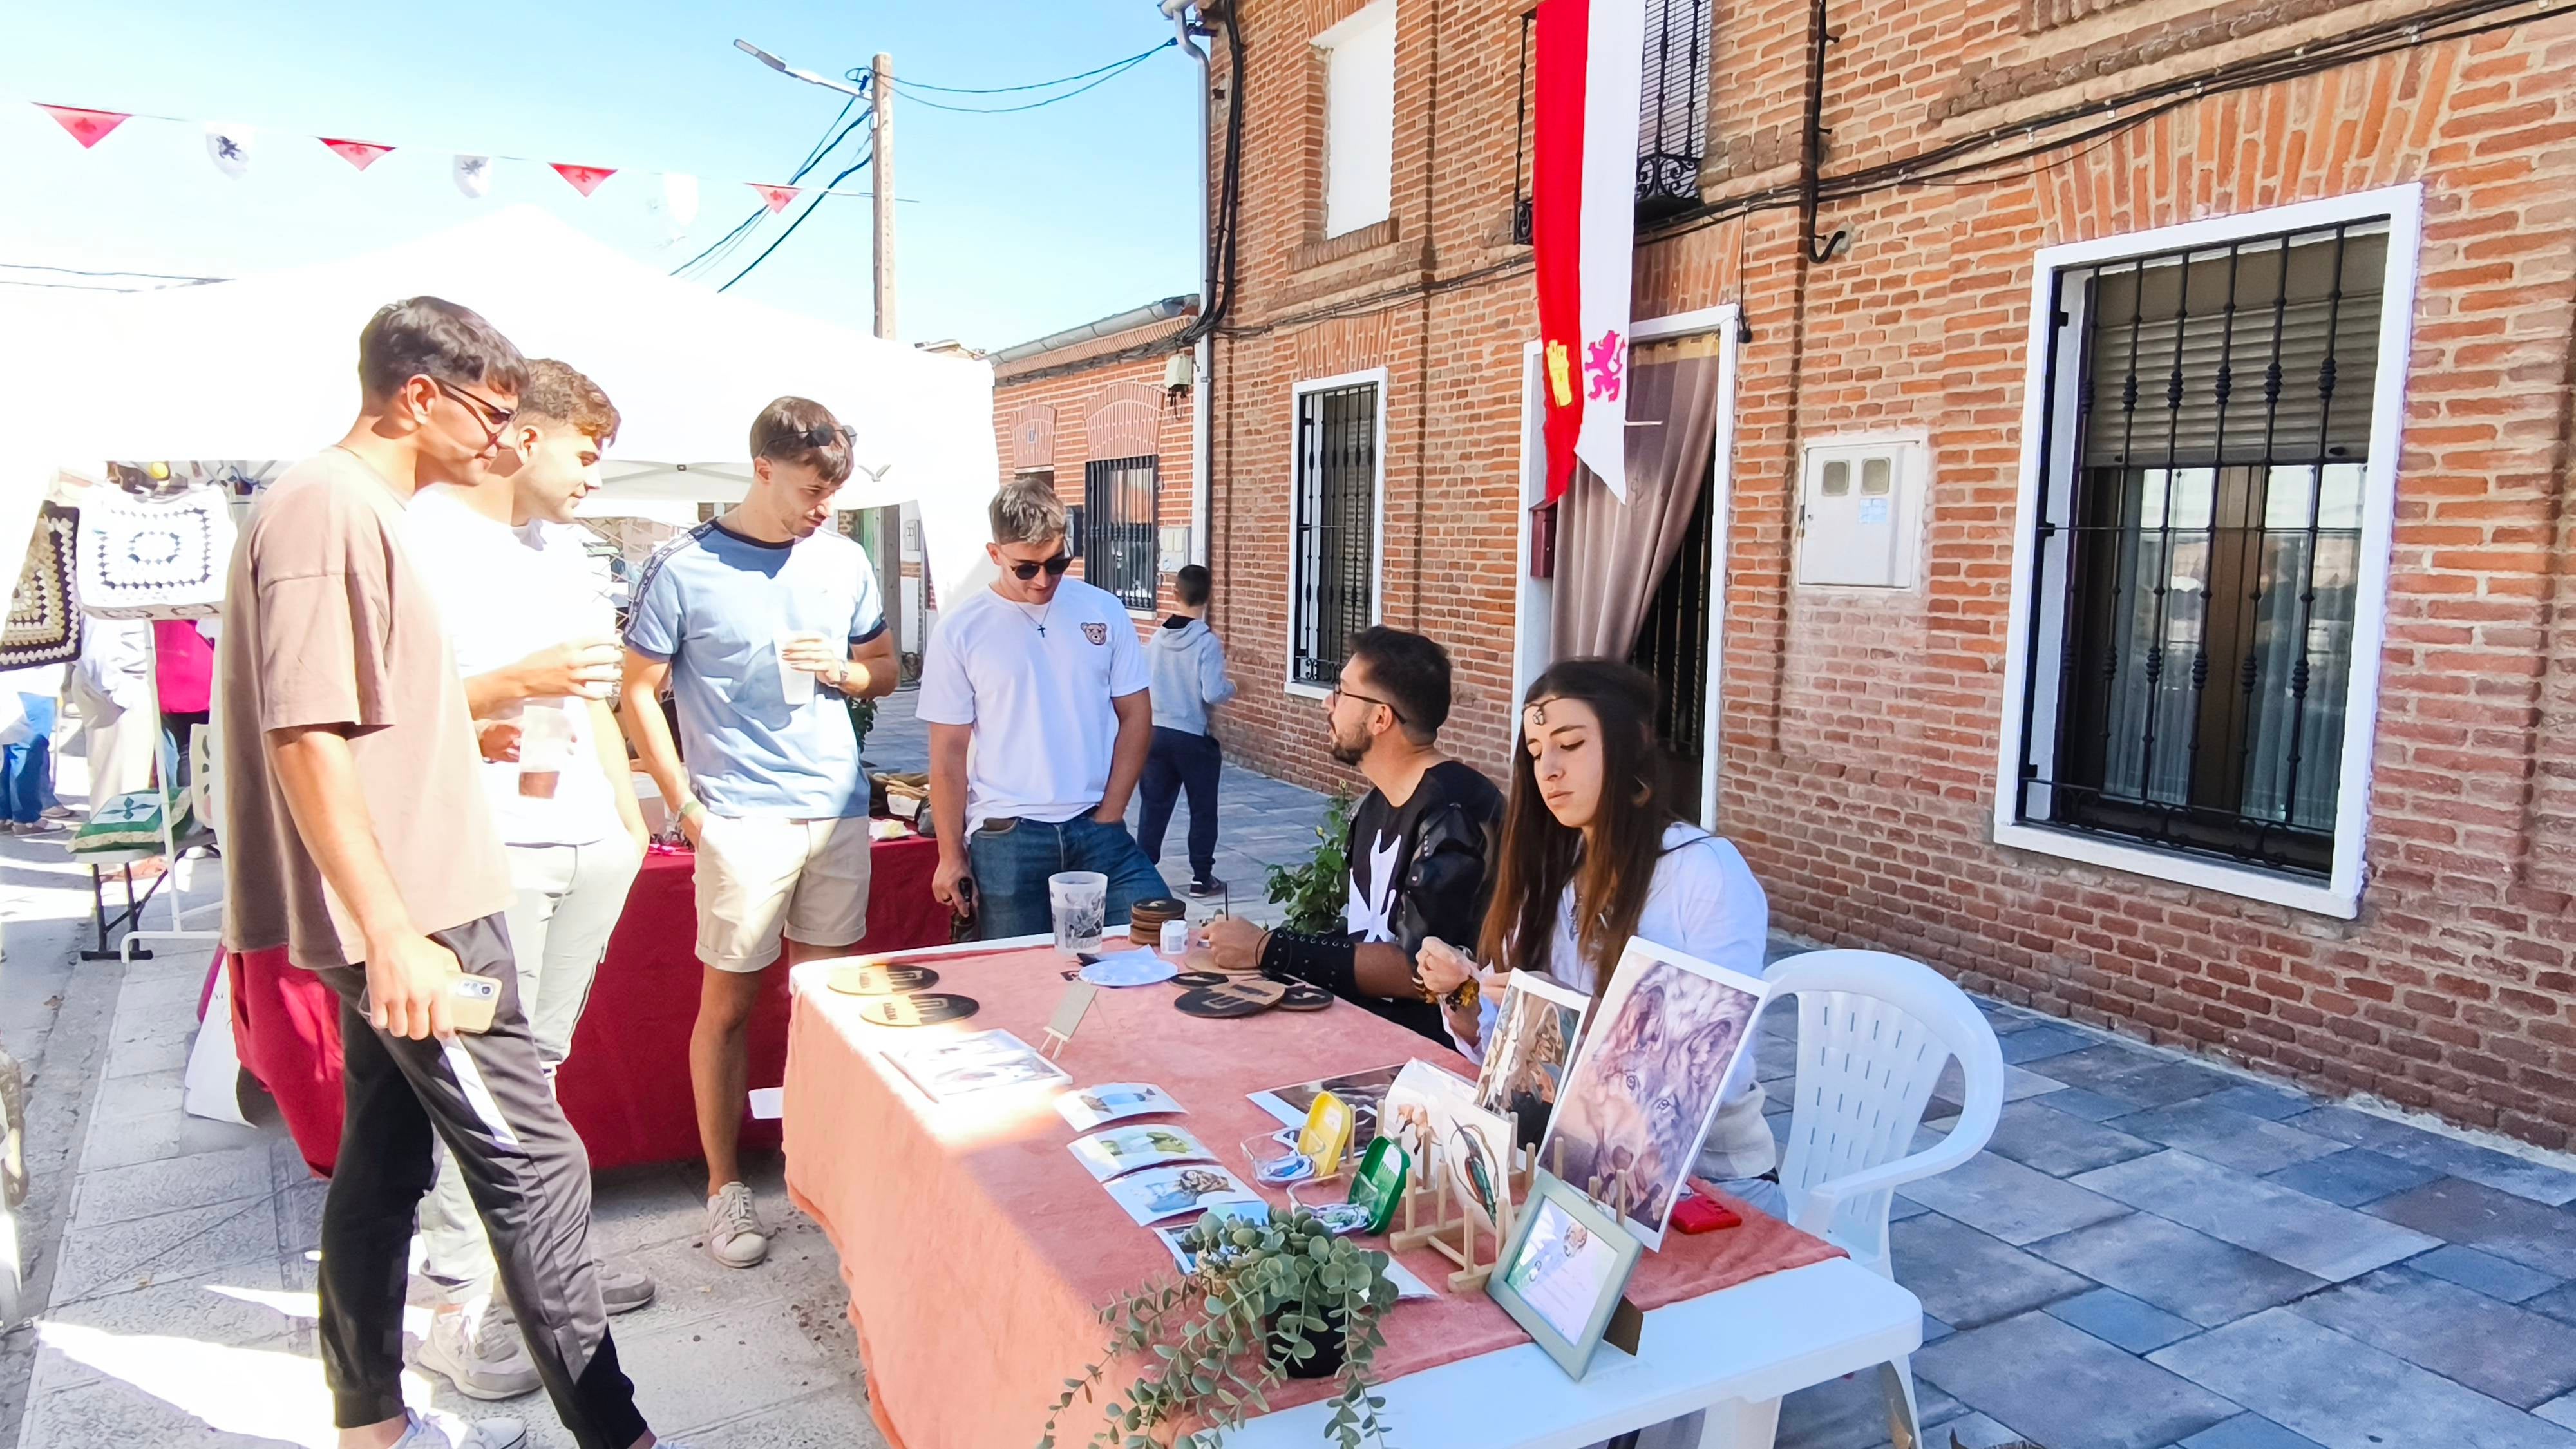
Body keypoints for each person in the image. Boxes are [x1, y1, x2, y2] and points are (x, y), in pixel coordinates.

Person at [216, 296, 668, 1449]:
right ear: (419, 396)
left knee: (385, 1155)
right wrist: (391, 931)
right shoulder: (327, 508)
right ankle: (620, 1436)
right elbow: (305, 733)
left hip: (424, 892)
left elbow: (362, 723)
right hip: (419, 911)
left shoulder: (353, 507)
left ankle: (367, 1414)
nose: (505, 438)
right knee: (536, 1164)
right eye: (493, 411)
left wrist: (451, 736)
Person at [402, 359, 656, 1397]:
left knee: (537, 1065)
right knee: (487, 1079)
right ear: (523, 435)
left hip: (586, 832)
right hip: (490, 844)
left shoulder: (568, 550)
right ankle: (454, 1298)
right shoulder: (424, 538)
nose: (596, 474)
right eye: (586, 451)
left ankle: (541, 1272)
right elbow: (388, 708)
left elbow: (594, 690)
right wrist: (512, 685)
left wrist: (630, 821)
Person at [620, 396, 896, 1271]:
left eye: (837, 493)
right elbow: (635, 692)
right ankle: (724, 1185)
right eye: (814, 490)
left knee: (822, 1012)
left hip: (836, 807)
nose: (825, 508)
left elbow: (886, 667)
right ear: (763, 468)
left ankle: (820, 1172)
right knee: (730, 1005)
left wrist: (847, 671)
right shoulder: (682, 567)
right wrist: (686, 807)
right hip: (739, 816)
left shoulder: (845, 559)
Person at [1420, 658, 1778, 1193]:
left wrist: (1570, 1018)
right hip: (1570, 1161)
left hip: (1703, 1183)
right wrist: (1466, 996)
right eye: (1537, 753)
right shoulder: (1552, 875)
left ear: (1631, 741)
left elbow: (1714, 1075)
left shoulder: (1705, 874)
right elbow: (1513, 1056)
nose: (1549, 770)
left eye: (1572, 744)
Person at [1200, 627, 1502, 1044]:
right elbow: (1366, 938)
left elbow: (1418, 971)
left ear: (1381, 717)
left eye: (1341, 692)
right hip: (1362, 1028)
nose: (1328, 702)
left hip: (1430, 1058)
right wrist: (1264, 956)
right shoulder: (1373, 807)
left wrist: (1270, 948)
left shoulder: (1455, 811)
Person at [918, 480, 1169, 940]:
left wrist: (1112, 813)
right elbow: (948, 754)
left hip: (1097, 826)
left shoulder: (1103, 610)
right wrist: (950, 854)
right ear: (995, 555)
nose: (1042, 580)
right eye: (1026, 568)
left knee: (1158, 940)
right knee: (1021, 978)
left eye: (1057, 563)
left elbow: (1137, 715)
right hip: (1007, 834)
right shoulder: (961, 630)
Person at [1137, 564, 1235, 898]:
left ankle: (1142, 872)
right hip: (1192, 736)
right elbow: (1212, 692)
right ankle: (1201, 877)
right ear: (1209, 596)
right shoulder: (1207, 642)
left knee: (1154, 805)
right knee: (1202, 807)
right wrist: (1235, 687)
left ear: (1174, 594)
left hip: (1156, 732)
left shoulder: (1157, 639)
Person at [68, 616, 155, 811]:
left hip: (121, 684)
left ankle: (114, 833)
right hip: (118, 685)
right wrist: (118, 693)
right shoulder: (106, 596)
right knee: (119, 780)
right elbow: (95, 654)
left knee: (122, 776)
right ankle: (114, 835)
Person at [0, 663, 66, 835]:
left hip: (10, 681)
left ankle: (4, 815)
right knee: (29, 752)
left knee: (8, 750)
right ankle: (27, 818)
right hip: (34, 684)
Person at [152, 618, 215, 787]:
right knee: (192, 751)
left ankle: (171, 802)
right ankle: (190, 807)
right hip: (198, 670)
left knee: (169, 750)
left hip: (165, 670)